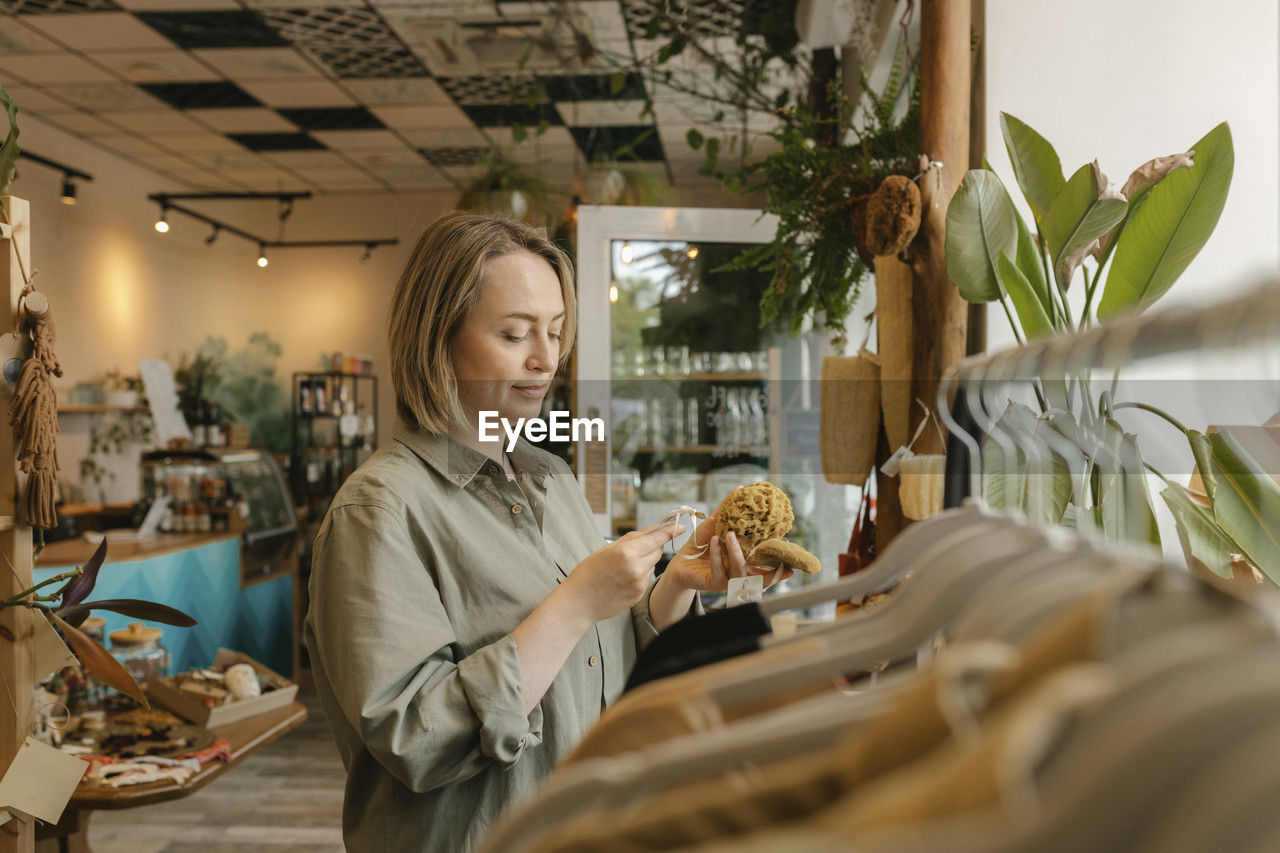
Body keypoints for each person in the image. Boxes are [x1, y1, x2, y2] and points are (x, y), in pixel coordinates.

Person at [305, 211, 792, 852]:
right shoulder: (376, 512)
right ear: (437, 338)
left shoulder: (551, 477)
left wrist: (673, 586)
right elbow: (414, 739)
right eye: (514, 334)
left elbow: (596, 667)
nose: (546, 359)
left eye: (556, 332)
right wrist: (577, 602)